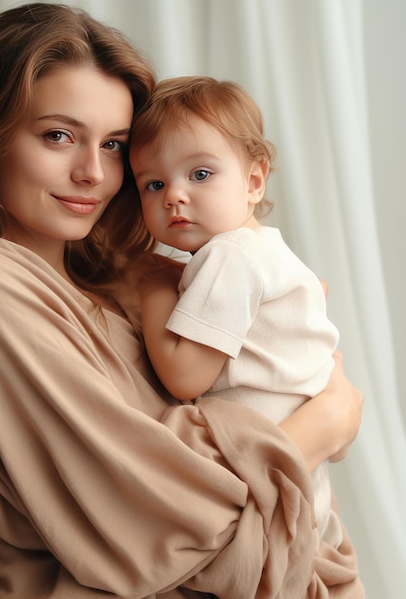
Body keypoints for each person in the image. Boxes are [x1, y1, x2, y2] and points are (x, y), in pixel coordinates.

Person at [0, 2, 364, 598]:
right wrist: (323, 424)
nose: (93, 173)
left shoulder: (128, 289)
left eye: (113, 146)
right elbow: (160, 516)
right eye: (59, 136)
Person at [129, 76, 350, 550]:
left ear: (253, 181)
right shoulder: (265, 251)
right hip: (299, 482)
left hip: (266, 488)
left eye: (201, 174)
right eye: (153, 184)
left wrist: (152, 286)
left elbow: (185, 376)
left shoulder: (230, 257)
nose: (174, 195)